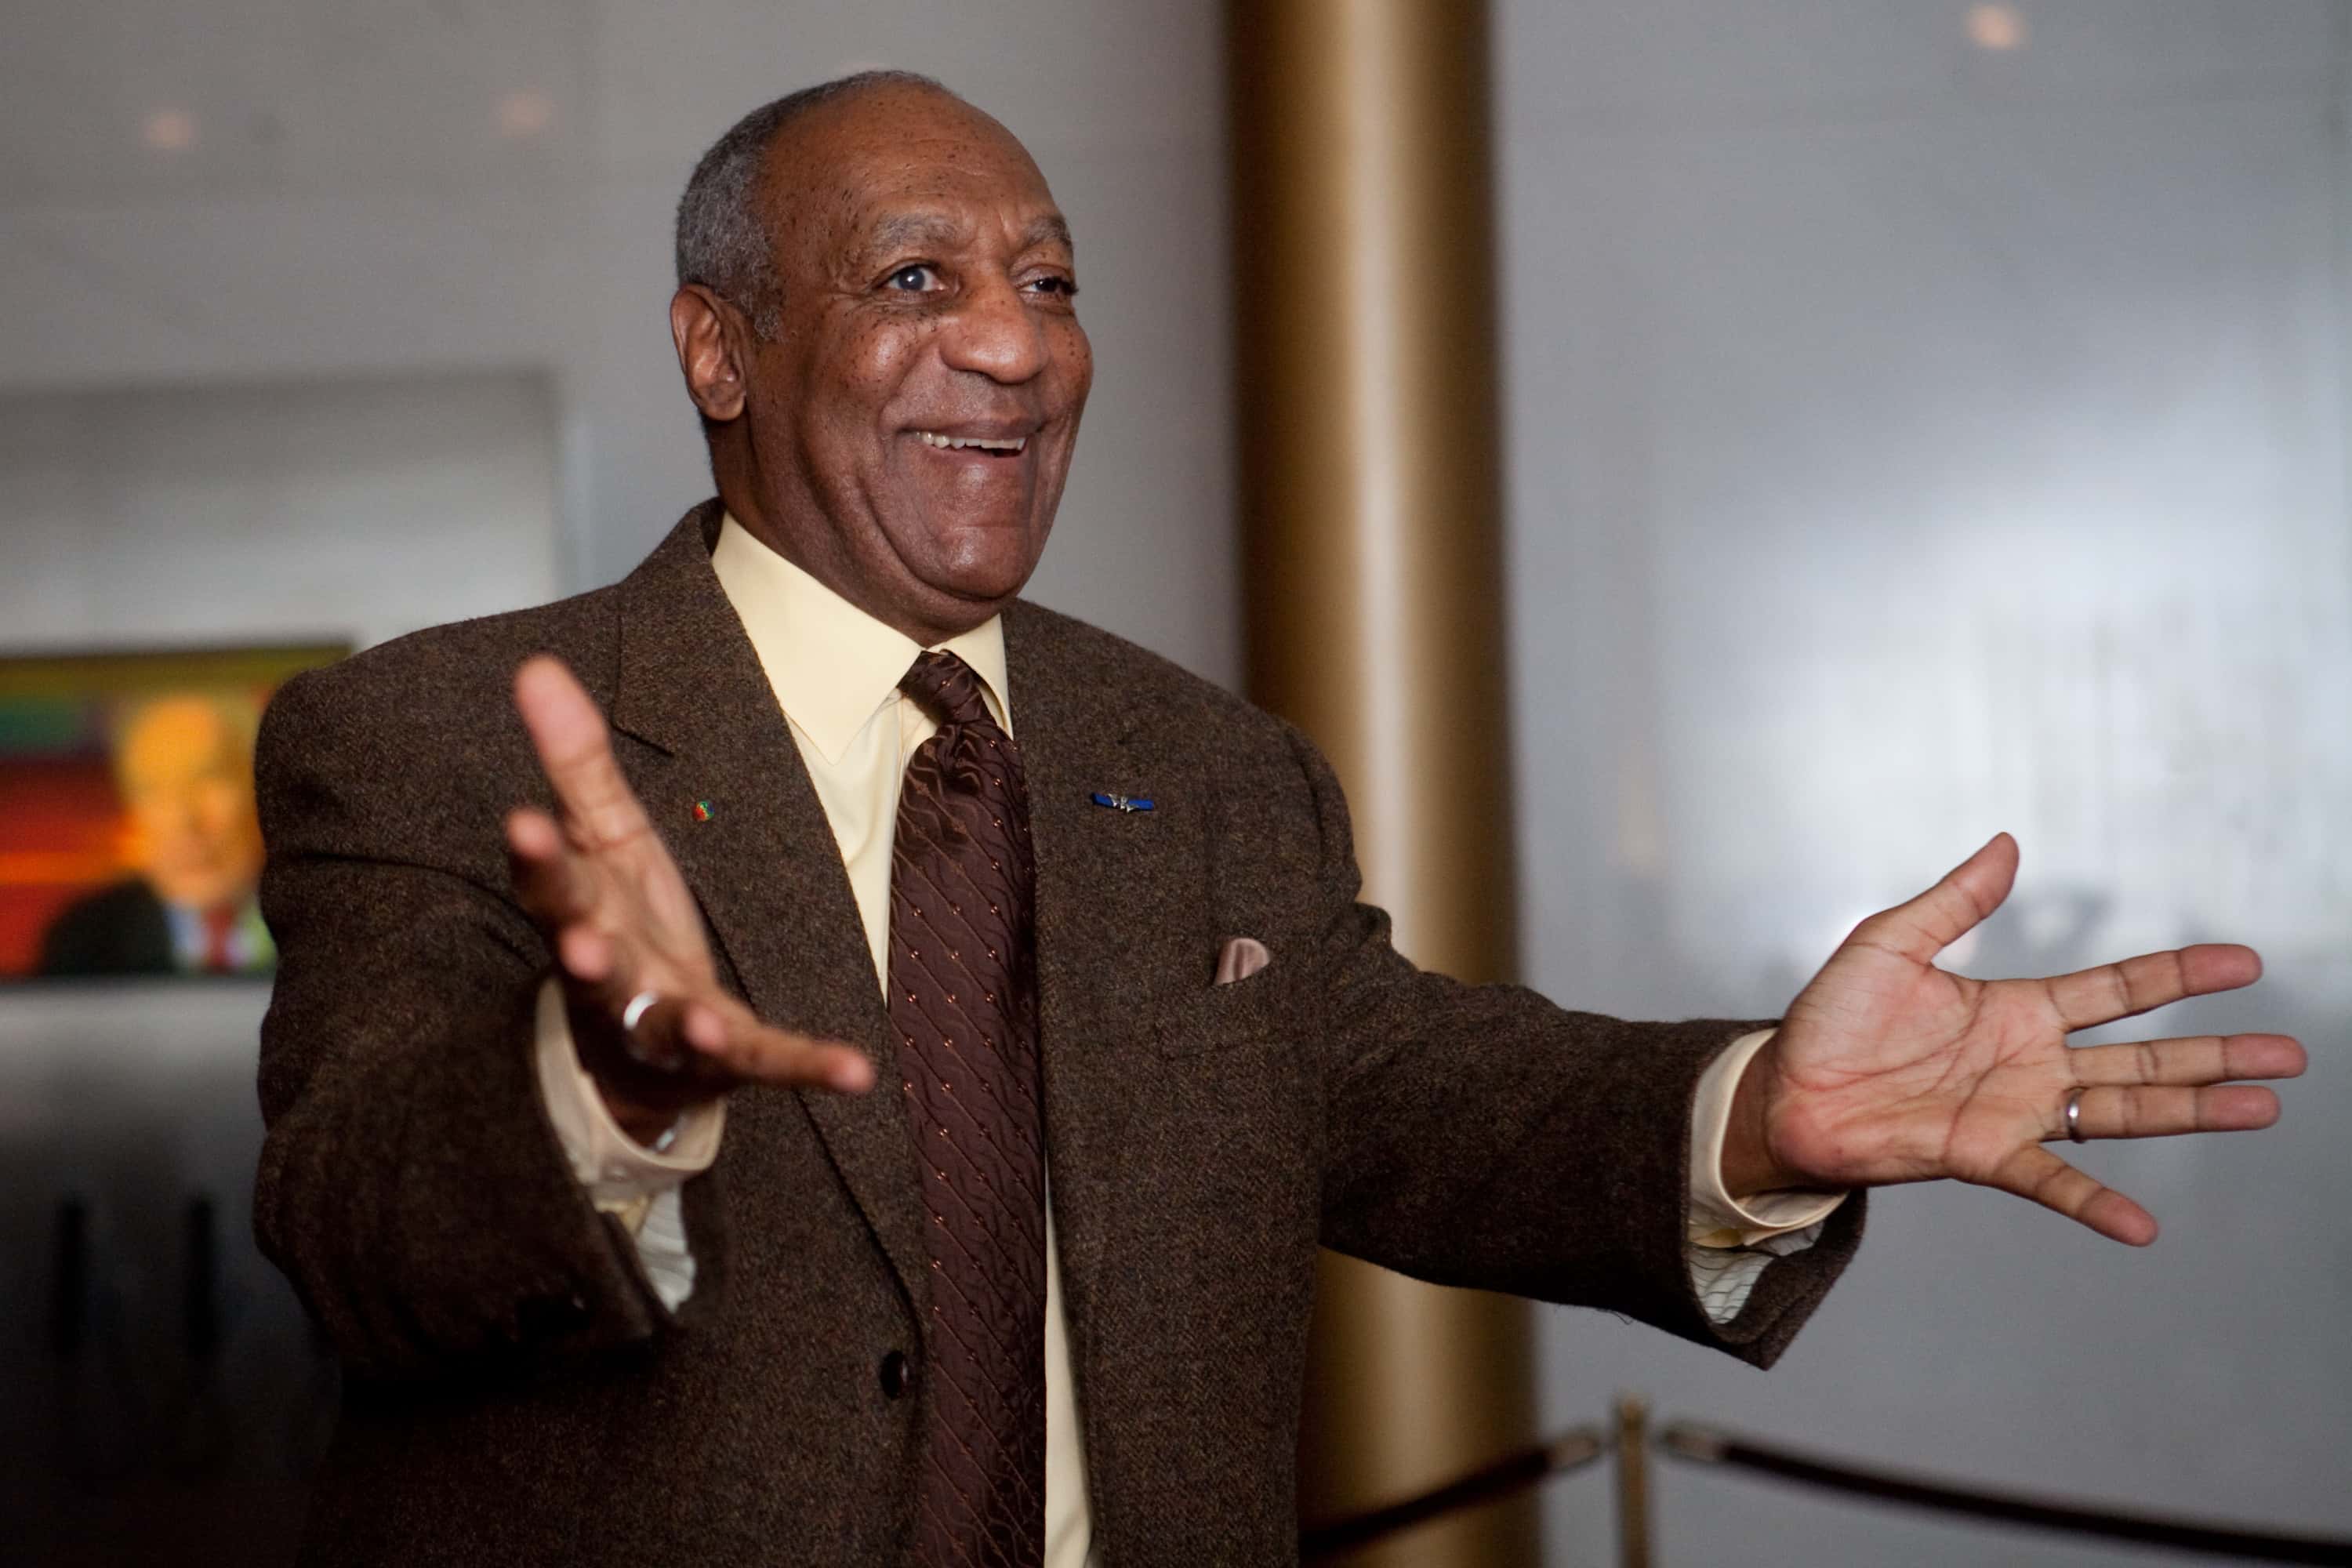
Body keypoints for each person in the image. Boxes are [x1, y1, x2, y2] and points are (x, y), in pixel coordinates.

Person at [252, 71, 2303, 1568]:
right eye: (916, 275)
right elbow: (355, 1236)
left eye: (1051, 281)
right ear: (719, 344)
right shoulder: (445, 732)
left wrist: (1755, 1113)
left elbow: (1404, 1093)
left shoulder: (1212, 766)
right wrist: (595, 1079)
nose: (1017, 340)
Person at [41, 693, 273, 977]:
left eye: (209, 778)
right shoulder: (83, 943)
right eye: (155, 790)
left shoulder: (331, 925)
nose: (183, 820)